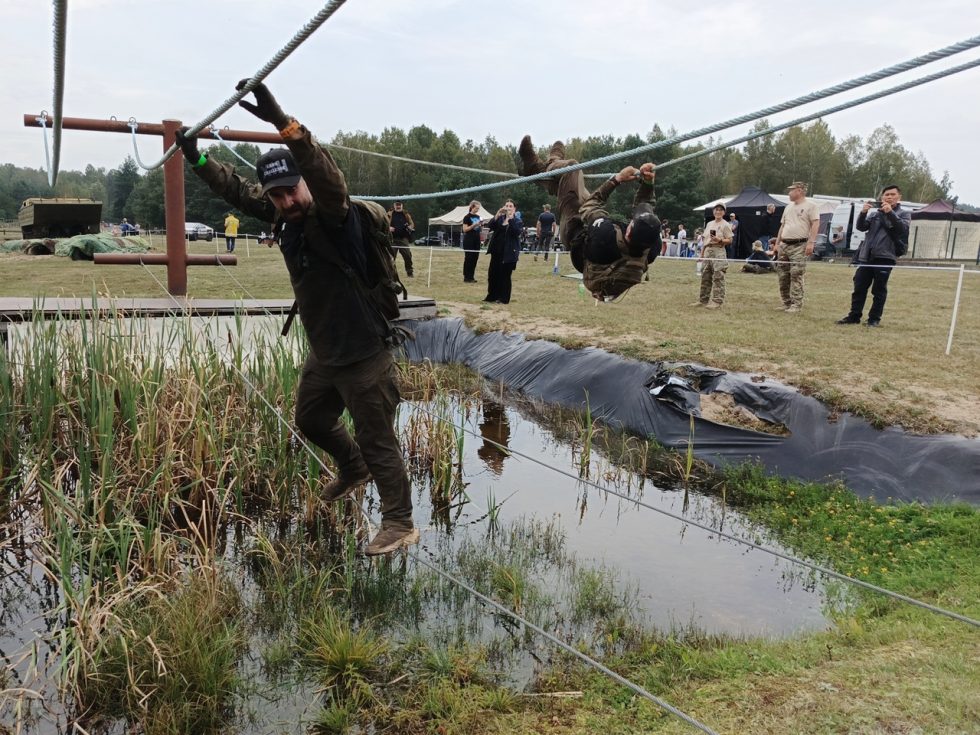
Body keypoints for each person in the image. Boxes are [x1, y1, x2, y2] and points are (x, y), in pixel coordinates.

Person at [174, 81, 417, 556]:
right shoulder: (283, 216)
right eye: (277, 195)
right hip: (326, 353)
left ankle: (400, 521)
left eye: (290, 190)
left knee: (378, 441)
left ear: (303, 184)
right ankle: (351, 467)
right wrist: (198, 160)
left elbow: (329, 181)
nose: (285, 200)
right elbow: (240, 192)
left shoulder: (335, 218)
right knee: (310, 418)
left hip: (366, 354)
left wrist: (283, 123)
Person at [517, 136, 660, 300]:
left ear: (628, 232)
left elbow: (589, 206)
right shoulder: (651, 243)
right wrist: (648, 183)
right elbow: (645, 205)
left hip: (573, 227)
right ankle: (550, 162)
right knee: (565, 182)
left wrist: (616, 179)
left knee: (571, 168)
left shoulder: (606, 237)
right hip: (591, 236)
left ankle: (537, 167)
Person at [836, 185, 910, 328]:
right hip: (867, 255)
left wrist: (890, 213)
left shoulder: (903, 214)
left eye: (892, 194)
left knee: (879, 290)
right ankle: (854, 316)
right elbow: (861, 227)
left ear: (899, 197)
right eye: (886, 194)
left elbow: (902, 229)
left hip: (885, 256)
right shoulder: (875, 214)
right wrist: (863, 213)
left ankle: (874, 319)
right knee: (859, 287)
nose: (889, 197)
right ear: (882, 198)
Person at [772, 181, 820, 313]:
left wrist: (811, 242)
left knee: (796, 274)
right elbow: (783, 226)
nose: (789, 193)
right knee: (783, 275)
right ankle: (786, 302)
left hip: (799, 244)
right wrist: (777, 243)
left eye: (791, 190)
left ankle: (796, 304)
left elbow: (815, 224)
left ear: (799, 190)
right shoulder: (788, 207)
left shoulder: (811, 206)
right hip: (784, 245)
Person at [692, 204, 733, 308]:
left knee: (718, 276)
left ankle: (717, 301)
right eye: (716, 210)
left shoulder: (725, 224)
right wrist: (701, 255)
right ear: (713, 211)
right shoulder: (709, 224)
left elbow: (730, 240)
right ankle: (703, 300)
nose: (718, 212)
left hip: (718, 250)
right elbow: (705, 240)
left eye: (720, 210)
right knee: (705, 276)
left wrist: (720, 240)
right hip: (707, 251)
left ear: (724, 212)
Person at [484, 200, 522, 303]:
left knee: (504, 276)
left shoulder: (517, 221)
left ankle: (503, 298)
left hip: (508, 253)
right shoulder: (500, 219)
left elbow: (516, 232)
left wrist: (510, 219)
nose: (508, 208)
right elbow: (490, 226)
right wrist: (497, 214)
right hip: (496, 251)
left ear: (514, 209)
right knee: (492, 274)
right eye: (506, 205)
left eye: (510, 206)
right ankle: (492, 296)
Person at [387, 201, 415, 278]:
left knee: (408, 256)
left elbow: (412, 224)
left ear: (402, 206)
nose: (398, 206)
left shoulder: (406, 214)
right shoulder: (389, 214)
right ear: (394, 205)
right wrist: (388, 228)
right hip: (392, 239)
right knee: (390, 257)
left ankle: (409, 272)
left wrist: (410, 227)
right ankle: (390, 273)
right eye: (397, 205)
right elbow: (384, 224)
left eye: (399, 205)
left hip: (403, 239)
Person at [461, 200, 482, 283]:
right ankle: (466, 277)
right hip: (469, 239)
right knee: (469, 258)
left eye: (478, 208)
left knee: (475, 258)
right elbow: (465, 229)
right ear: (472, 207)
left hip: (476, 239)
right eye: (476, 208)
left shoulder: (478, 217)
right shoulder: (467, 217)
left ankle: (472, 276)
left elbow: (479, 229)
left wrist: (480, 226)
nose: (477, 210)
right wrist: (474, 225)